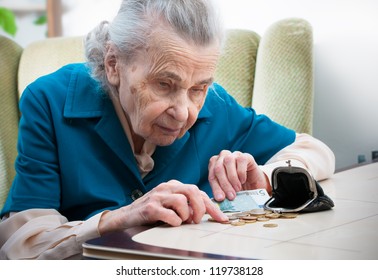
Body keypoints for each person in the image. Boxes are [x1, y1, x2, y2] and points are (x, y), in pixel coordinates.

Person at [0, 0, 334, 259]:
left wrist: (263, 176)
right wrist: (118, 219)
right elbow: (20, 245)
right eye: (164, 83)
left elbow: (316, 150)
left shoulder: (216, 105)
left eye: (198, 88)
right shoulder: (49, 99)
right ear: (114, 63)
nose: (184, 111)